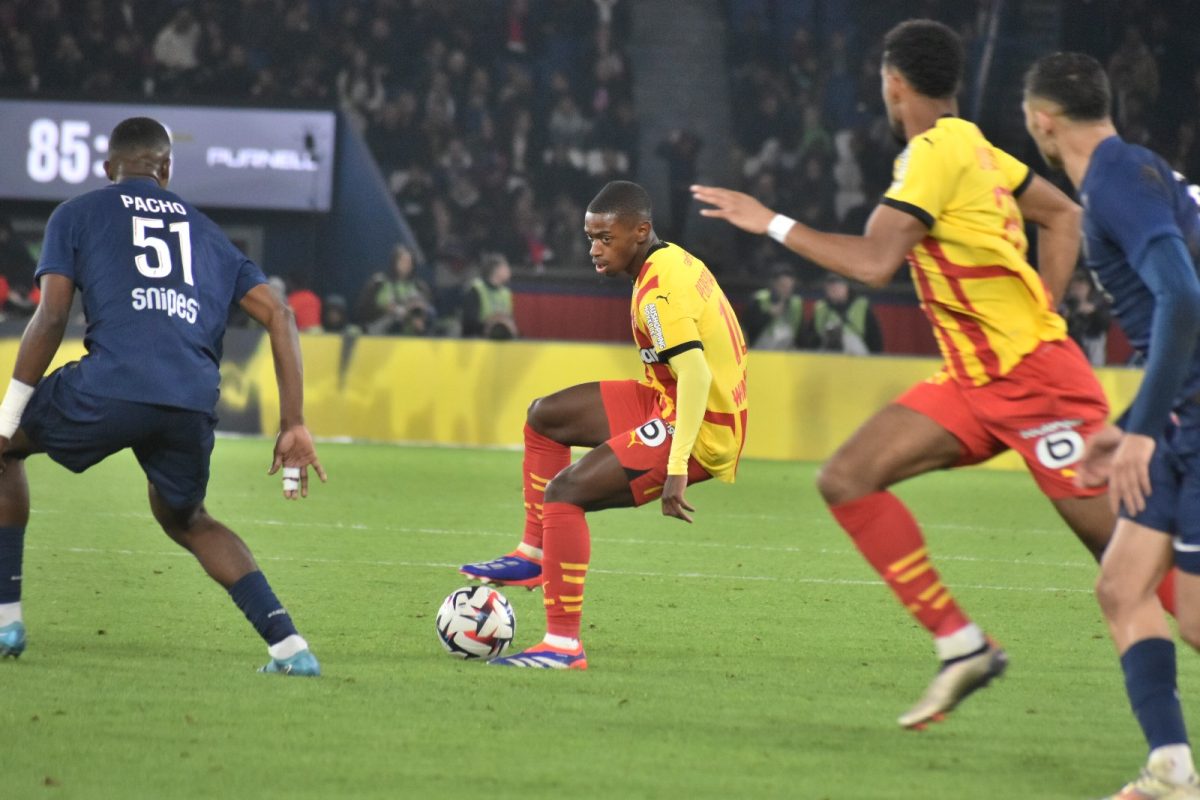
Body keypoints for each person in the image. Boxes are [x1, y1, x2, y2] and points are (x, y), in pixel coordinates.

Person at [691, 19, 1166, 729]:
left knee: (1140, 570)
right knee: (845, 477)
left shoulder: (930, 155)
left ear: (894, 83)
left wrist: (771, 223)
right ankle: (961, 645)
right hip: (975, 382)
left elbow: (874, 264)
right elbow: (1063, 214)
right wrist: (1044, 303)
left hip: (1038, 386)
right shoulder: (972, 143)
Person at [0, 117, 327, 676]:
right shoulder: (205, 231)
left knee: (4, 452)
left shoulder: (76, 214)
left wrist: (8, 415)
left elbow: (52, 314)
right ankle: (290, 648)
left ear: (109, 170)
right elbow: (281, 313)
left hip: (112, 383)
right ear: (166, 171)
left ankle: (6, 619)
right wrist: (293, 421)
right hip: (190, 397)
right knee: (188, 518)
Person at [458, 180, 749, 668]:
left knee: (564, 494)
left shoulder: (658, 294)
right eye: (590, 237)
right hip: (667, 400)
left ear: (640, 231)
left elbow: (697, 374)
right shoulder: (669, 258)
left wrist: (678, 465)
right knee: (544, 416)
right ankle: (534, 552)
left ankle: (563, 645)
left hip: (699, 428)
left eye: (605, 239)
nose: (594, 249)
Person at [1025, 52, 1200, 799]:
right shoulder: (1138, 171)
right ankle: (1172, 768)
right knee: (1123, 587)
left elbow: (1184, 299)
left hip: (1189, 422)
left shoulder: (1117, 186)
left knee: (1194, 618)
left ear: (1042, 122)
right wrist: (1134, 420)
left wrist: (1137, 433)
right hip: (1176, 419)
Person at [355, 243, 435, 336]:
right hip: (378, 336)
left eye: (409, 262)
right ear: (395, 261)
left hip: (410, 339)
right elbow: (361, 311)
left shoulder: (419, 287)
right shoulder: (379, 282)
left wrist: (419, 315)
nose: (406, 265)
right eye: (403, 261)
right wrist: (384, 309)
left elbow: (430, 314)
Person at [800, 273, 883, 354]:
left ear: (846, 286)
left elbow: (875, 340)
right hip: (828, 358)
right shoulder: (821, 308)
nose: (834, 288)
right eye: (830, 285)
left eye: (838, 284)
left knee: (848, 339)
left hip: (856, 358)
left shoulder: (861, 306)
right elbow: (810, 340)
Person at [743, 265, 804, 350]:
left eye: (789, 287)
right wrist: (768, 315)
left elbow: (801, 334)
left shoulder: (796, 304)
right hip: (759, 351)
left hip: (787, 353)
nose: (786, 290)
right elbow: (747, 328)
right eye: (782, 285)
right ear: (774, 284)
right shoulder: (759, 299)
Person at [461, 253, 518, 340]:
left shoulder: (506, 293)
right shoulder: (476, 290)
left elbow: (510, 321)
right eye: (506, 268)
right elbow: (469, 322)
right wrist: (490, 323)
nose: (509, 271)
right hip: (479, 341)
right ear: (496, 270)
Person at [1061, 269, 1111, 366]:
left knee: (1095, 341)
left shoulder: (1097, 303)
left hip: (1092, 341)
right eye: (1074, 283)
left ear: (1088, 286)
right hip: (1071, 343)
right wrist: (1070, 315)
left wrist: (1092, 312)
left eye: (1081, 283)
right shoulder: (1064, 304)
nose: (1077, 287)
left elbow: (1105, 324)